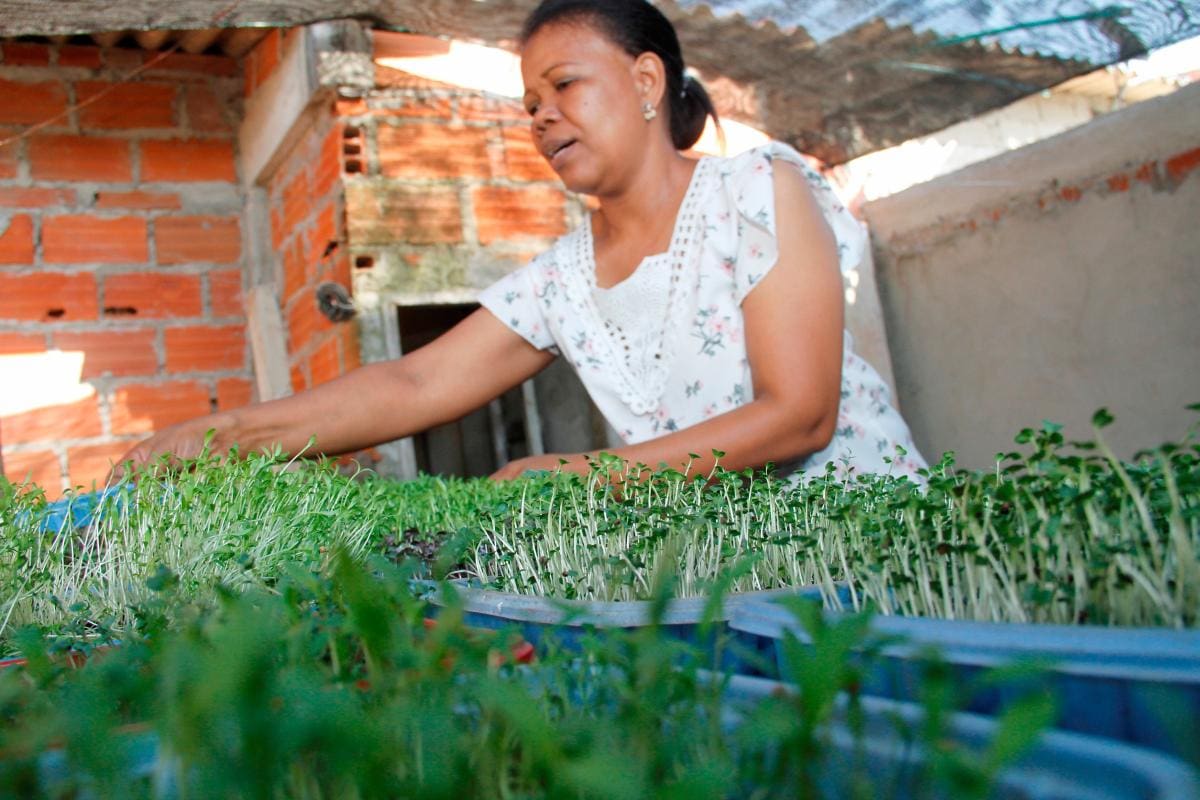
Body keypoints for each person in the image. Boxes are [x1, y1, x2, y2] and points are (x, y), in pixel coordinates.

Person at [120, 0, 925, 483]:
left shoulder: (754, 192)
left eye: (564, 85)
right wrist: (225, 435)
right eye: (529, 102)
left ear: (647, 82)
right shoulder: (563, 281)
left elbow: (801, 415)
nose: (540, 116)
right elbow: (409, 385)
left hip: (871, 548)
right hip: (744, 582)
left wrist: (575, 477)